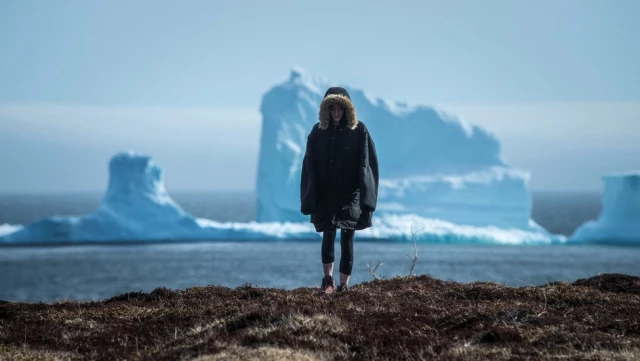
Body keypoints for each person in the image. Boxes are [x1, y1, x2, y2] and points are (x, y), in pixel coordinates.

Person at [300, 87, 379, 293]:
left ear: (347, 110)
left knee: (347, 237)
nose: (336, 114)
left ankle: (344, 285)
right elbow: (309, 165)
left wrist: (367, 199)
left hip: (349, 196)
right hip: (326, 195)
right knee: (328, 234)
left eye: (340, 109)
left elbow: (367, 164)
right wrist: (310, 195)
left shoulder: (359, 130)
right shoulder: (318, 132)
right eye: (332, 109)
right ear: (326, 109)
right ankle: (328, 281)